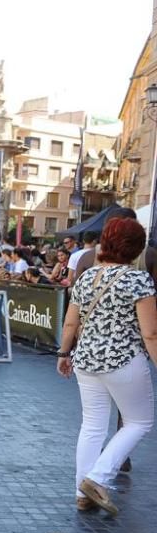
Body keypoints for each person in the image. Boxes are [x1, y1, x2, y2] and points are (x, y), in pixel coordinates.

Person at [56, 217, 157, 517]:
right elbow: (150, 333)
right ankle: (97, 479)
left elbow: (71, 320)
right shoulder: (139, 280)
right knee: (140, 422)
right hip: (124, 360)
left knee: (92, 425)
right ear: (136, 248)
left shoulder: (86, 277)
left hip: (86, 361)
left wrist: (64, 352)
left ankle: (81, 493)